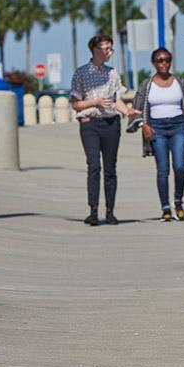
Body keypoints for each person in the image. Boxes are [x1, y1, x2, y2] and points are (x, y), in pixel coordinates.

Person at [70, 34, 140, 226]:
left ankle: (110, 212)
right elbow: (76, 104)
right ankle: (93, 211)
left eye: (111, 48)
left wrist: (127, 110)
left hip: (111, 123)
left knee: (110, 168)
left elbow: (116, 99)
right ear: (95, 49)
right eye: (106, 48)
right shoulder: (81, 73)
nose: (109, 52)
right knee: (94, 166)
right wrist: (95, 102)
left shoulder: (112, 73)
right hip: (90, 123)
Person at [130, 47, 184, 222]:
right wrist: (144, 125)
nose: (163, 63)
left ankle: (178, 202)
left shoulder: (179, 82)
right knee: (162, 170)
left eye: (166, 60)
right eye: (159, 60)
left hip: (178, 126)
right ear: (153, 63)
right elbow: (137, 106)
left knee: (179, 166)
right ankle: (165, 208)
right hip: (157, 128)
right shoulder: (147, 85)